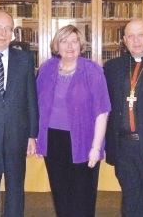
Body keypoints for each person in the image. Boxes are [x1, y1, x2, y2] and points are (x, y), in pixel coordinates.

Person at [36, 24, 111, 217]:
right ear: (56, 45)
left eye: (74, 41)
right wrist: (35, 137)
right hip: (53, 140)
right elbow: (37, 104)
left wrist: (96, 147)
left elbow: (102, 111)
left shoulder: (92, 70)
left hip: (84, 141)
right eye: (64, 41)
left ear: (81, 45)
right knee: (61, 194)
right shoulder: (47, 68)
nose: (69, 46)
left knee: (83, 197)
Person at [104, 19, 143, 217]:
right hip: (123, 145)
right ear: (124, 40)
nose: (136, 40)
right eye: (130, 36)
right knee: (130, 198)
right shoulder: (113, 67)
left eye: (141, 35)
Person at [0, 10, 38, 217]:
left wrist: (32, 134)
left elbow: (31, 97)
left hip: (16, 135)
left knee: (15, 188)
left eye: (8, 29)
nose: (3, 33)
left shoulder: (24, 60)